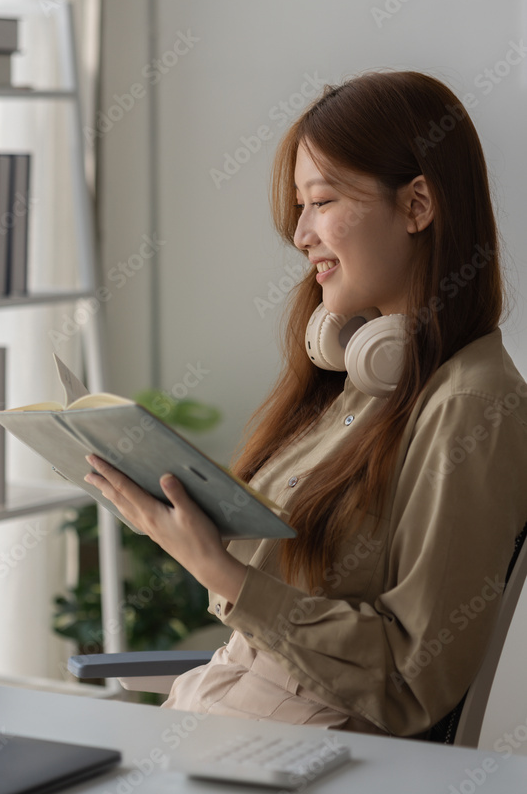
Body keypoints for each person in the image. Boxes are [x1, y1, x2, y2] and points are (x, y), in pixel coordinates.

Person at [84, 70, 527, 737]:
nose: (300, 234)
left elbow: (415, 673)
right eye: (299, 207)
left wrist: (219, 570)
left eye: (320, 202)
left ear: (415, 208)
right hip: (222, 711)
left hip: (300, 745)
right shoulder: (364, 380)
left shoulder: (471, 406)